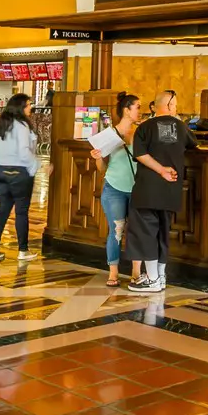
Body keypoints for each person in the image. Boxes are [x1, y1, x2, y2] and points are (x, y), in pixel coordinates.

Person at [125, 90, 194, 295]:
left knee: (145, 232)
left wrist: (161, 170)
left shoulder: (145, 127)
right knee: (163, 232)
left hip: (148, 188)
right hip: (171, 189)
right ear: (171, 106)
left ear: (155, 107)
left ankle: (152, 279)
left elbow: (140, 154)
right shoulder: (181, 127)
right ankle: (161, 277)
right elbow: (193, 144)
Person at [90, 93, 140, 287]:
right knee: (116, 230)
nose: (140, 111)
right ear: (127, 110)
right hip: (114, 188)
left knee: (137, 231)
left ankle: (137, 272)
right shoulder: (109, 135)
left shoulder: (141, 133)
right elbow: (102, 169)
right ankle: (113, 272)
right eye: (137, 107)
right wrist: (97, 157)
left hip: (137, 189)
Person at [0, 94, 41, 263]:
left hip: (0, 172)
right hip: (18, 173)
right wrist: (36, 166)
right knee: (21, 212)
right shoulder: (22, 126)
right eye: (28, 105)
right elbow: (24, 152)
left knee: (3, 211)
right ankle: (23, 251)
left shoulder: (3, 123)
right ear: (20, 107)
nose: (30, 107)